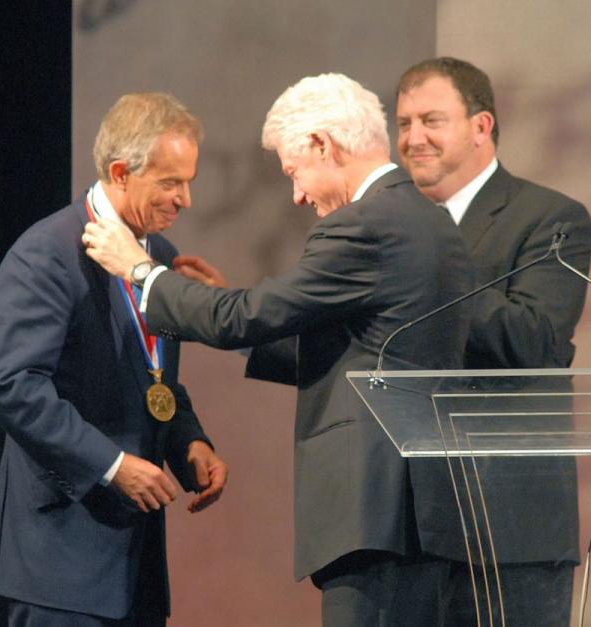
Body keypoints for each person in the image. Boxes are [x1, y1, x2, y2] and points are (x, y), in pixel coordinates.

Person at [83, 73, 473, 626]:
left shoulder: (364, 225)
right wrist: (235, 326)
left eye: (294, 172)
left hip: (375, 512)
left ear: (323, 145)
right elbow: (359, 351)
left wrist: (141, 271)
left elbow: (243, 316)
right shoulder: (431, 220)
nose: (298, 194)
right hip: (421, 514)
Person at [0, 92, 228, 627]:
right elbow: (10, 384)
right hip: (59, 561)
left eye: (189, 181)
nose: (185, 199)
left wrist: (190, 443)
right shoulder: (46, 252)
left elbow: (154, 377)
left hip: (132, 564)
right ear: (120, 172)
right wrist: (111, 466)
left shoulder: (155, 255)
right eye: (170, 182)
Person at [395, 57, 591, 626]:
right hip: (406, 534)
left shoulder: (551, 218)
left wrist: (430, 265)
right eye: (404, 123)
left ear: (481, 127)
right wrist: (239, 322)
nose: (413, 138)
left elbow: (534, 338)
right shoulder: (391, 228)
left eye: (431, 120)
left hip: (509, 534)